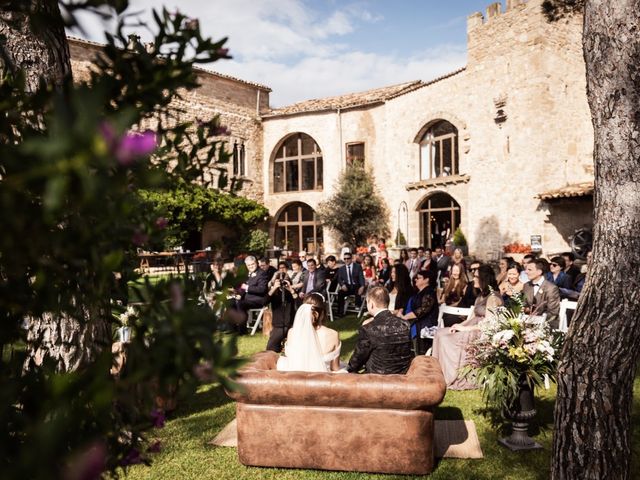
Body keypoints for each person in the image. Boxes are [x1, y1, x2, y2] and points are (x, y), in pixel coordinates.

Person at [432, 264, 503, 390]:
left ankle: (452, 375)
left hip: (481, 332)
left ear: (484, 279)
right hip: (472, 326)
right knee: (440, 333)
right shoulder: (481, 295)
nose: (474, 279)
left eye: (476, 277)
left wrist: (465, 329)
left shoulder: (493, 297)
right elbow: (472, 317)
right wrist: (460, 325)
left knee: (446, 339)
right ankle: (437, 374)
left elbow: (488, 324)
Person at [346, 286, 413, 374]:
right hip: (402, 378)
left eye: (367, 302)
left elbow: (357, 361)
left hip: (376, 381)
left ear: (371, 304)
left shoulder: (368, 328)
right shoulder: (405, 324)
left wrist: (347, 369)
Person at [276, 293, 341, 372]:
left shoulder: (292, 332)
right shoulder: (333, 334)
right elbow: (335, 368)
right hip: (321, 380)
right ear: (323, 313)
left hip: (295, 377)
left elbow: (290, 361)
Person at [402, 269, 438, 355]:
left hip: (425, 324)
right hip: (416, 322)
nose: (416, 279)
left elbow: (423, 310)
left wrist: (404, 317)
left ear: (426, 280)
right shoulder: (418, 293)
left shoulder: (429, 293)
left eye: (419, 278)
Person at [232, 255, 269, 334]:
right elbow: (242, 287)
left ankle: (242, 330)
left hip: (258, 299)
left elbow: (262, 289)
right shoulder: (247, 274)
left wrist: (247, 287)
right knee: (231, 302)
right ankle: (232, 328)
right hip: (247, 298)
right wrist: (237, 293)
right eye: (249, 265)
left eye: (252, 264)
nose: (251, 266)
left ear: (256, 263)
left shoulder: (262, 273)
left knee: (240, 304)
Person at [522, 259, 561, 329]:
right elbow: (524, 304)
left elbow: (553, 312)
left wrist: (537, 320)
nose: (526, 272)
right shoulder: (526, 286)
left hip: (546, 325)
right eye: (526, 269)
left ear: (539, 272)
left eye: (529, 270)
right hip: (527, 323)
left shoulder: (551, 288)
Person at [266, 266, 296, 352]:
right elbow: (264, 302)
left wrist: (291, 290)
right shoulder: (273, 293)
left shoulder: (290, 293)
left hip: (290, 325)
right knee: (271, 348)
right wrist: (274, 288)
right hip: (278, 325)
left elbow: (299, 304)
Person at [335, 252, 365, 317]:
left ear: (351, 259)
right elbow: (339, 279)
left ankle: (357, 305)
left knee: (358, 287)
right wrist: (342, 285)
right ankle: (340, 312)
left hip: (356, 285)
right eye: (345, 259)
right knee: (340, 293)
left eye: (348, 258)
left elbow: (361, 277)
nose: (346, 260)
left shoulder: (357, 266)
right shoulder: (341, 269)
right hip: (347, 286)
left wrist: (362, 286)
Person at [438, 263, 468, 327]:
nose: (455, 273)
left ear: (461, 272)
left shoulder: (465, 285)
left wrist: (448, 308)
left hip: (457, 312)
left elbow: (461, 302)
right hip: (446, 310)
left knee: (445, 319)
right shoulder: (448, 284)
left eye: (457, 271)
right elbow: (442, 300)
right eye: (453, 270)